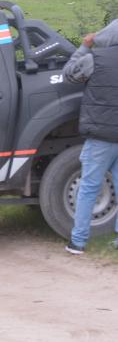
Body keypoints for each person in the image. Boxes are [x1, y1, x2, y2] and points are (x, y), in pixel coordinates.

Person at [64, 20, 118, 254]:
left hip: (101, 136)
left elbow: (69, 75)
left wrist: (84, 47)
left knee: (89, 187)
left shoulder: (94, 59)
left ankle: (78, 241)